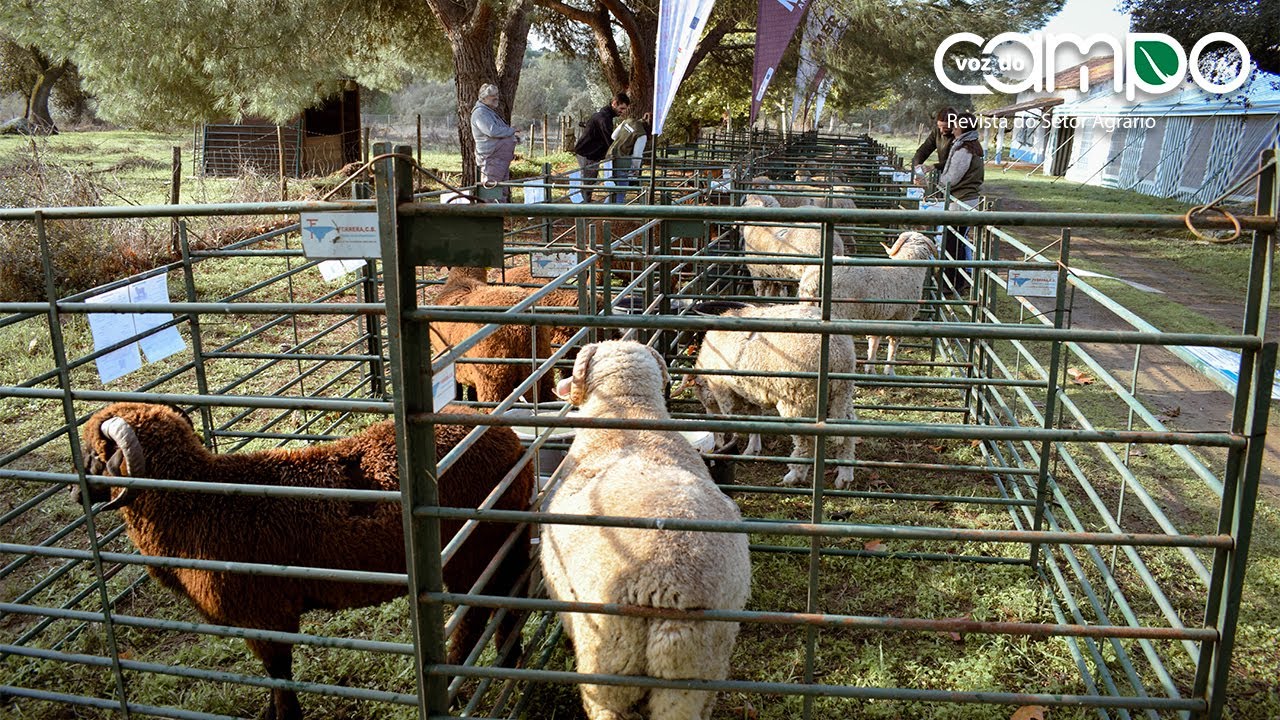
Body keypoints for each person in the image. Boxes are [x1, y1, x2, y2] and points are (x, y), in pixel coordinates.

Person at [937, 110, 984, 296]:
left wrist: (940, 182)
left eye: (956, 124)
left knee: (953, 243)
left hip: (961, 200)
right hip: (965, 199)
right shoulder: (969, 145)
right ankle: (956, 281)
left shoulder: (964, 149)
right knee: (956, 241)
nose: (953, 127)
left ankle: (955, 282)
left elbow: (953, 177)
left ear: (963, 127)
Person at [574, 92, 630, 202]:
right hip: (588, 153)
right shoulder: (604, 118)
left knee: (590, 179)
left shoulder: (603, 115)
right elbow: (609, 139)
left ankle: (585, 202)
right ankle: (583, 206)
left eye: (624, 109)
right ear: (614, 103)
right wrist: (616, 153)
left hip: (590, 152)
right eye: (622, 108)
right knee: (589, 179)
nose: (622, 112)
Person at [469, 83, 518, 201]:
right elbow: (492, 131)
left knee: (501, 192)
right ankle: (490, 218)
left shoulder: (489, 112)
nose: (496, 97)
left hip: (499, 161)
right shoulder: (480, 113)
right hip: (491, 160)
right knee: (491, 192)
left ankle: (499, 217)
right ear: (484, 97)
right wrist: (512, 130)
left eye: (497, 94)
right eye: (492, 95)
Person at [605, 110, 650, 203]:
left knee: (611, 188)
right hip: (622, 161)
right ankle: (616, 212)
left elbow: (613, 136)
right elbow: (637, 156)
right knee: (621, 189)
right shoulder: (642, 134)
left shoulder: (628, 121)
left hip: (609, 156)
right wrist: (636, 170)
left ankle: (605, 211)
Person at [911, 106, 956, 184]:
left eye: (945, 128)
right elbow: (923, 150)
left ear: (955, 126)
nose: (941, 131)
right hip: (943, 174)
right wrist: (917, 167)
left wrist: (932, 167)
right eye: (939, 127)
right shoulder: (937, 132)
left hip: (956, 176)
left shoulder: (959, 137)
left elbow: (955, 161)